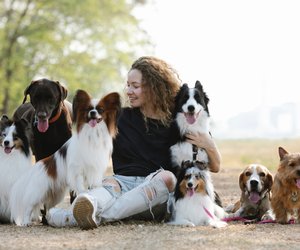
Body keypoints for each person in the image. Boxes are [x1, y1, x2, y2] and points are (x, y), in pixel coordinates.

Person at [46, 56, 221, 229]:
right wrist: (55, 101)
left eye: (135, 86)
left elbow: (215, 166)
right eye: (128, 85)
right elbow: (86, 110)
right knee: (109, 184)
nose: (128, 91)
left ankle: (71, 218)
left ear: (154, 88)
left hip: (157, 194)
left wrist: (209, 143)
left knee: (167, 177)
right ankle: (88, 207)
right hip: (122, 185)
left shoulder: (178, 122)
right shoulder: (120, 117)